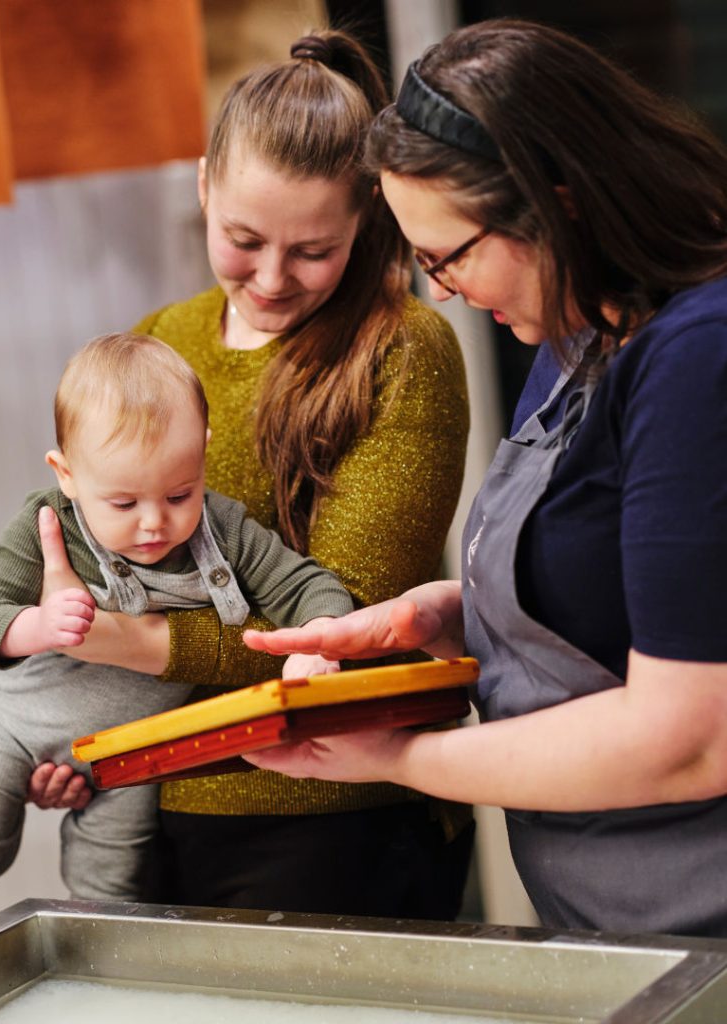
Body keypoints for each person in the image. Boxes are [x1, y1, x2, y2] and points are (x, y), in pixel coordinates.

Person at [241, 19, 727, 938]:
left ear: (557, 203)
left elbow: (690, 738)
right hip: (615, 923)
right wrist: (450, 612)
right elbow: (639, 588)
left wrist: (399, 755)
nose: (444, 295)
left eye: (446, 259)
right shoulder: (576, 328)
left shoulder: (698, 357)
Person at [28, 30, 473, 919]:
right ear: (201, 187)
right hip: (148, 798)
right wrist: (56, 731)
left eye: (313, 250)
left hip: (337, 816)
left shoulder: (401, 349)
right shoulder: (161, 340)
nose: (270, 278)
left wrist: (122, 642)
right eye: (241, 238)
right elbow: (95, 557)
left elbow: (344, 626)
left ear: (366, 219)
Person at [0, 332, 354, 943]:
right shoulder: (47, 522)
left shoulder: (223, 530)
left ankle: (99, 978)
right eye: (122, 502)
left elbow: (311, 587)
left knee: (111, 881)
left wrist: (317, 642)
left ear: (202, 455)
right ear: (66, 475)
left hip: (129, 752)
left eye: (179, 494)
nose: (155, 523)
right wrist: (38, 626)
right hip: (13, 726)